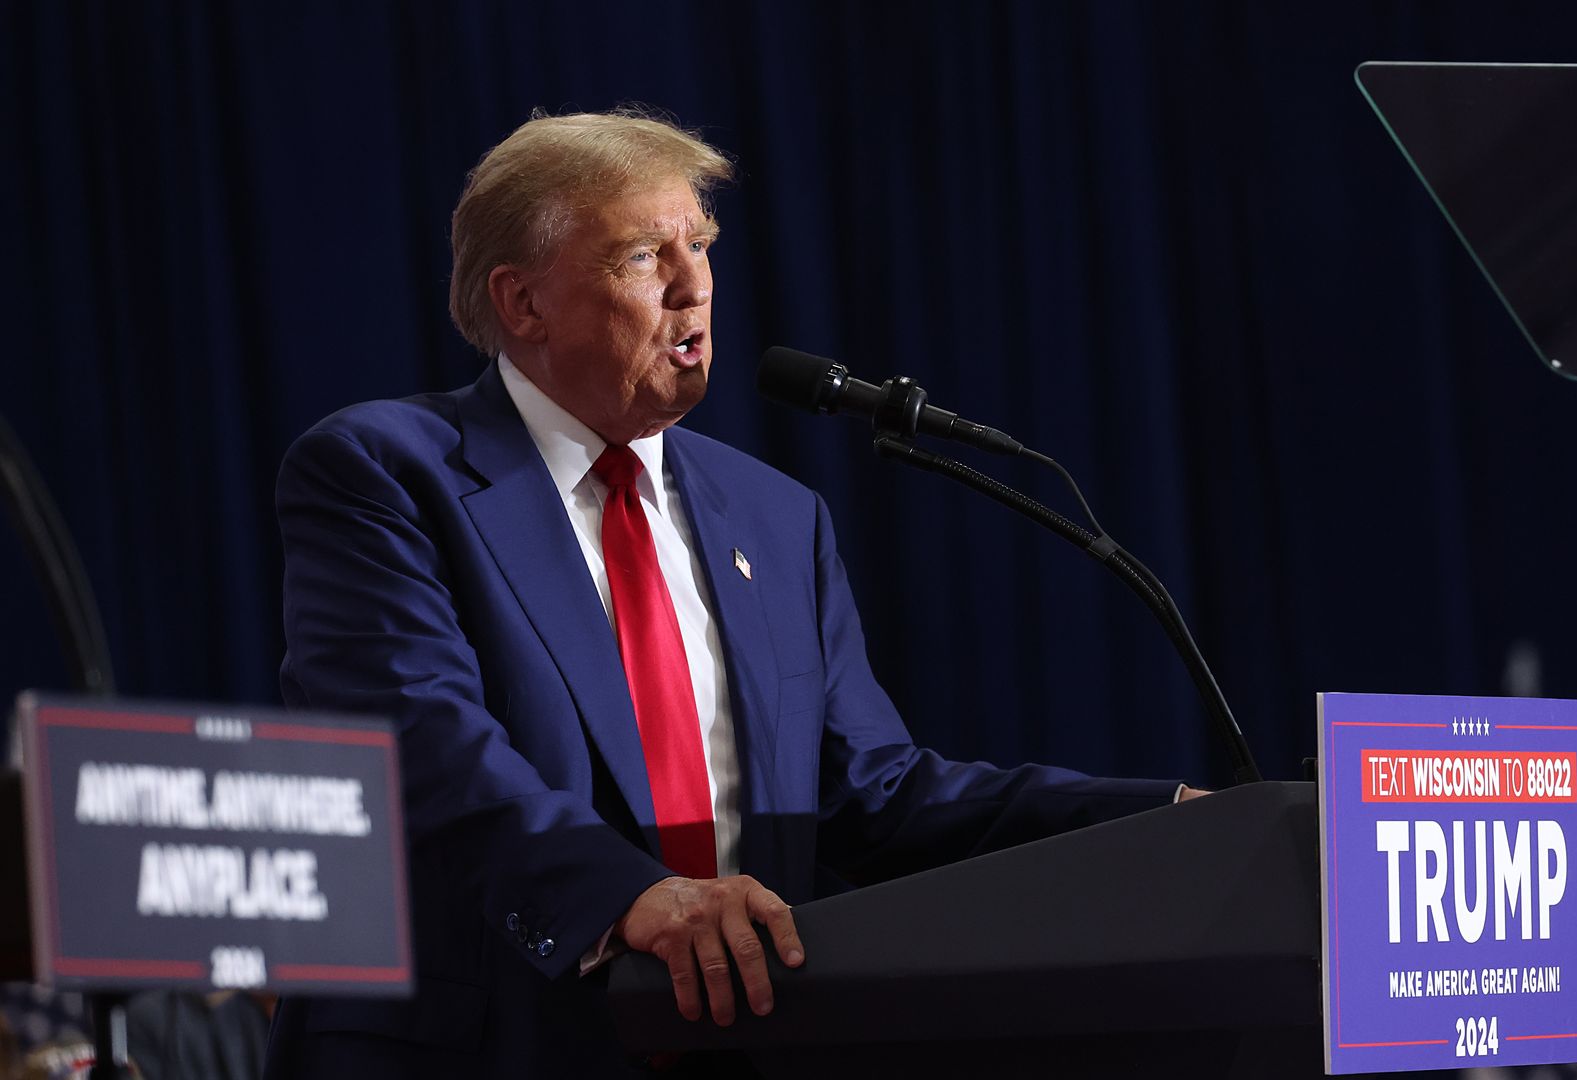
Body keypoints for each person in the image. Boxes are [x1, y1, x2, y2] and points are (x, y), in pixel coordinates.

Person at [262, 109, 1202, 1079]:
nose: (694, 284)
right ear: (523, 302)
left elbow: (873, 795)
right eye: (642, 255)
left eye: (701, 245)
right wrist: (627, 898)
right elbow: (419, 745)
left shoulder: (776, 517)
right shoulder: (385, 474)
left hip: (740, 1044)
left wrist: (1167, 821)